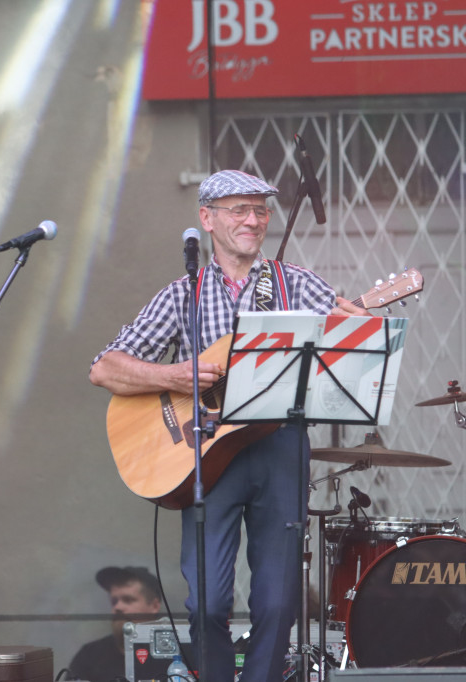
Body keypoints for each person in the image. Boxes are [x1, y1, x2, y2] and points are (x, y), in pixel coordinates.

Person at [89, 170, 369, 682]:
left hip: (280, 446)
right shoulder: (182, 293)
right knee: (207, 601)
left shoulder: (297, 284)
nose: (253, 219)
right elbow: (104, 367)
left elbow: (354, 348)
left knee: (277, 599)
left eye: (260, 209)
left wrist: (358, 325)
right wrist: (177, 374)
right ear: (207, 219)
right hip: (203, 454)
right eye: (239, 209)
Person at [66, 566, 163, 682]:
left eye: (128, 600)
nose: (118, 607)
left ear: (154, 606)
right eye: (114, 601)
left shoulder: (175, 653)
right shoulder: (90, 655)